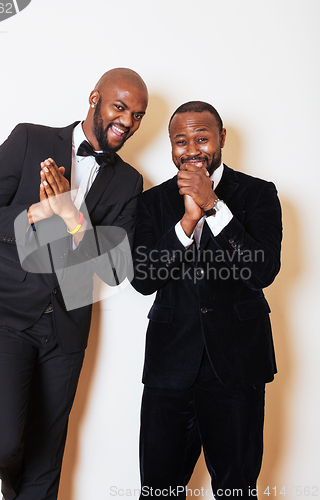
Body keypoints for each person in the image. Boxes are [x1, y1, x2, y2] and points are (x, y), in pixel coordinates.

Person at [0, 68, 148, 500]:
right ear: (95, 97)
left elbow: (117, 268)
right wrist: (36, 214)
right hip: (6, 314)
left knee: (47, 460)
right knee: (3, 445)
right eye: (120, 107)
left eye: (138, 115)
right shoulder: (30, 140)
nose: (128, 121)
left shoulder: (128, 181)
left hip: (66, 329)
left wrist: (72, 219)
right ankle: (12, 483)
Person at [132, 101, 282, 499]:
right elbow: (143, 280)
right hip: (170, 363)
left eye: (202, 137)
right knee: (159, 490)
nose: (192, 149)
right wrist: (186, 223)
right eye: (181, 141)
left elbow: (262, 271)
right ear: (170, 146)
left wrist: (214, 206)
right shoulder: (152, 202)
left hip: (236, 364)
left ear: (221, 139)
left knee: (236, 489)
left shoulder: (258, 193)